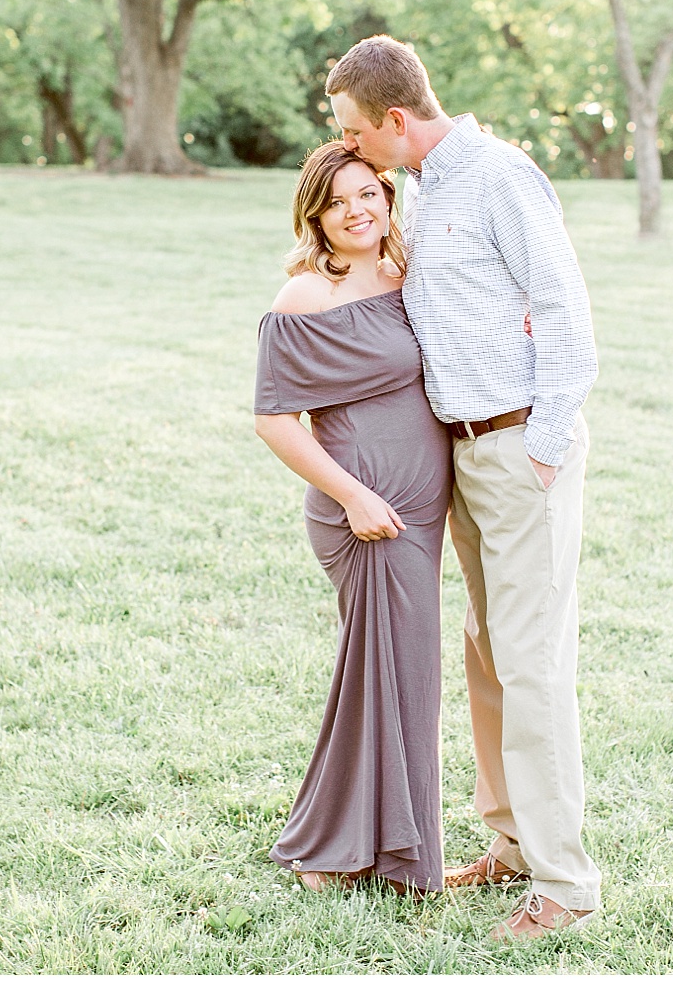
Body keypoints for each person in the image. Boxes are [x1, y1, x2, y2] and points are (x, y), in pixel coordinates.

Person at [325, 35, 602, 941]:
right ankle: (513, 842)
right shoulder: (424, 187)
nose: (353, 149)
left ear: (395, 121)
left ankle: (564, 884)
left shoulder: (499, 176)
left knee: (529, 661)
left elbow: (563, 304)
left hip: (522, 446)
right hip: (464, 455)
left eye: (356, 132)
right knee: (487, 652)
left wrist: (547, 444)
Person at [253, 142, 452, 897]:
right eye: (338, 202)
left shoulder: (406, 277)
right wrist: (354, 497)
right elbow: (275, 421)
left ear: (387, 197)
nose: (358, 209)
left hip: (422, 514)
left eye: (368, 192)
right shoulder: (304, 295)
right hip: (367, 515)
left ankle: (380, 845)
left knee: (404, 679)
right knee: (383, 676)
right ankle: (338, 852)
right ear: (317, 216)